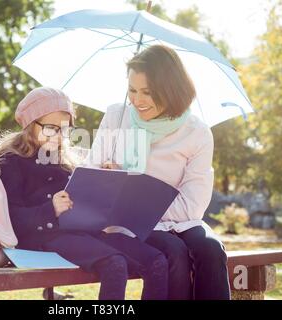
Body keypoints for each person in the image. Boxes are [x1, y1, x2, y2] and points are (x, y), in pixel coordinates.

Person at [0, 86, 169, 300]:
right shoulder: (11, 160)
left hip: (84, 234)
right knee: (114, 262)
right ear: (30, 125)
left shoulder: (65, 161)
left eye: (65, 130)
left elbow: (82, 202)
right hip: (42, 239)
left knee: (156, 260)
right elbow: (10, 217)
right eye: (51, 128)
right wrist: (49, 210)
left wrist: (107, 188)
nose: (59, 136)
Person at [86, 45, 231, 300]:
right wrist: (109, 179)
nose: (137, 100)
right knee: (173, 252)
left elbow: (193, 206)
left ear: (170, 90)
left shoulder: (197, 132)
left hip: (181, 221)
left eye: (147, 92)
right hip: (127, 226)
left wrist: (138, 202)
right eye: (132, 90)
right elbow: (90, 174)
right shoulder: (116, 117)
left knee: (211, 248)